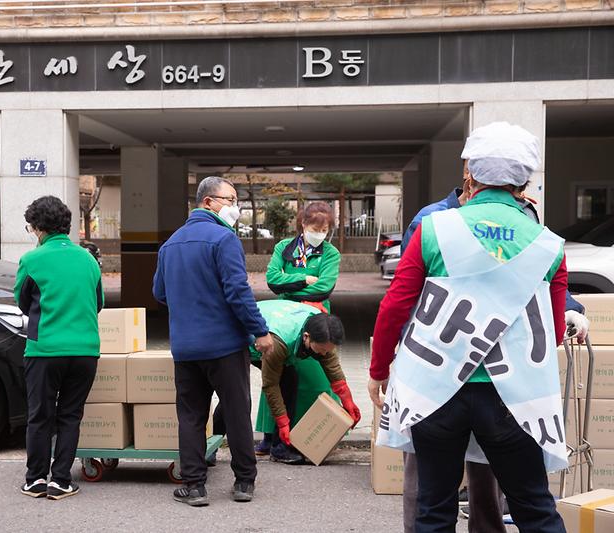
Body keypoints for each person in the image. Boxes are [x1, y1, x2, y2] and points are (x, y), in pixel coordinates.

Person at [369, 122, 569, 532]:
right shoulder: (549, 243)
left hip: (435, 389)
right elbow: (552, 328)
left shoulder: (433, 229)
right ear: (523, 182)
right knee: (534, 507)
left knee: (434, 508)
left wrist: (377, 370)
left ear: (470, 176)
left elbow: (395, 307)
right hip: (513, 395)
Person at [153, 176, 273, 507]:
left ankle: (194, 486)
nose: (235, 207)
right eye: (230, 200)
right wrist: (259, 331)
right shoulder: (224, 240)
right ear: (208, 202)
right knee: (236, 411)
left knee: (191, 416)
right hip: (224, 346)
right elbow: (238, 292)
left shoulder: (170, 244)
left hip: (186, 348)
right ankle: (244, 482)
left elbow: (160, 293)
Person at [14, 195, 104, 501]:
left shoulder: (32, 260)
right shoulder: (88, 259)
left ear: (38, 228)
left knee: (40, 415)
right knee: (70, 415)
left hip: (45, 349)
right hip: (85, 350)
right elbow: (99, 303)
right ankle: (62, 480)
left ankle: (36, 479)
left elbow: (24, 302)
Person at [213, 300, 360, 462]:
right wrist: (283, 422)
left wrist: (348, 400)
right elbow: (270, 385)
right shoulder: (279, 343)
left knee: (290, 379)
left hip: (272, 332)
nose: (325, 354)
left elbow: (332, 367)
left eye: (328, 350)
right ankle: (212, 444)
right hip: (236, 340)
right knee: (235, 395)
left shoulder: (323, 331)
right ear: (306, 337)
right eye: (322, 350)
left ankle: (279, 448)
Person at [256, 202, 344, 461]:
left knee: (316, 381)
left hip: (315, 322)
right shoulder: (283, 248)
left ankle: (310, 435)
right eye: (315, 227)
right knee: (276, 374)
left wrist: (288, 287)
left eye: (325, 228)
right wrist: (304, 280)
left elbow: (324, 289)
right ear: (303, 225)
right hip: (283, 322)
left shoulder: (330, 253)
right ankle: (272, 437)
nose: (320, 233)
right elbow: (272, 281)